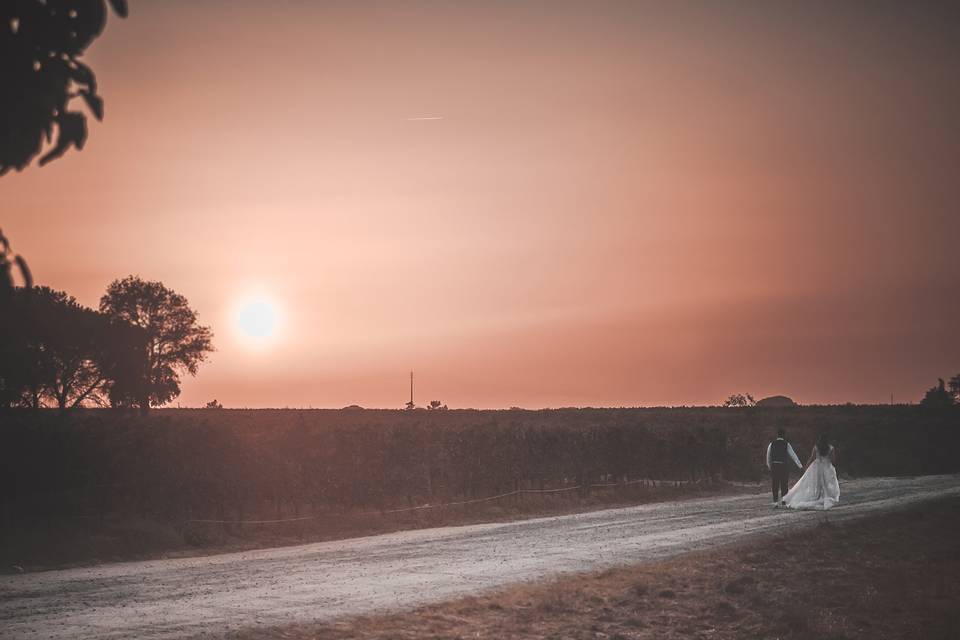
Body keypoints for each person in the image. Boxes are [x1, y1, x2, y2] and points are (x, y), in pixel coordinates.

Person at [783, 433, 840, 510]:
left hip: (817, 467)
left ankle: (817, 496)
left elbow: (812, 458)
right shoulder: (831, 448)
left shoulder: (816, 447)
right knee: (826, 483)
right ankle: (823, 496)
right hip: (827, 466)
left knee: (816, 483)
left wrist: (806, 466)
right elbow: (833, 460)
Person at [766, 428, 802, 507]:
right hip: (783, 466)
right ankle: (784, 501)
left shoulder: (771, 444)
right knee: (784, 484)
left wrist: (769, 466)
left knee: (775, 484)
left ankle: (775, 503)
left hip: (775, 465)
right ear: (784, 435)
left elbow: (768, 456)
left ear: (777, 435)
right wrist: (800, 466)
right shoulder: (786, 444)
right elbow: (793, 456)